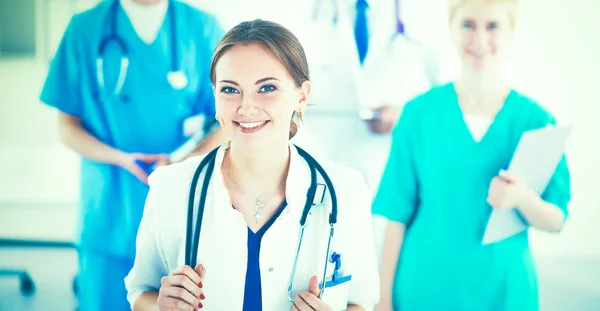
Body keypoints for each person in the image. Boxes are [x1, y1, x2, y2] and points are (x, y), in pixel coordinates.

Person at [124, 19, 380, 311]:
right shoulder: (171, 187)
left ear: (302, 95)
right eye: (230, 90)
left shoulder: (345, 191)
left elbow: (361, 301)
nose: (246, 107)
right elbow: (139, 292)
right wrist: (160, 305)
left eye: (267, 88)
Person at [372, 0, 571, 310]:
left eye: (492, 26)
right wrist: (382, 301)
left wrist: (523, 199)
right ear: (451, 30)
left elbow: (556, 219)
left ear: (511, 32)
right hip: (423, 290)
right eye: (468, 25)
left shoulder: (536, 122)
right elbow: (395, 217)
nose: (479, 41)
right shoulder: (417, 115)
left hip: (504, 293)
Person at [38, 0, 225, 309]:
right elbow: (67, 127)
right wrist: (119, 158)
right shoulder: (83, 29)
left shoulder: (203, 28)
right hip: (109, 208)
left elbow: (226, 120)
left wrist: (183, 162)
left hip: (182, 206)